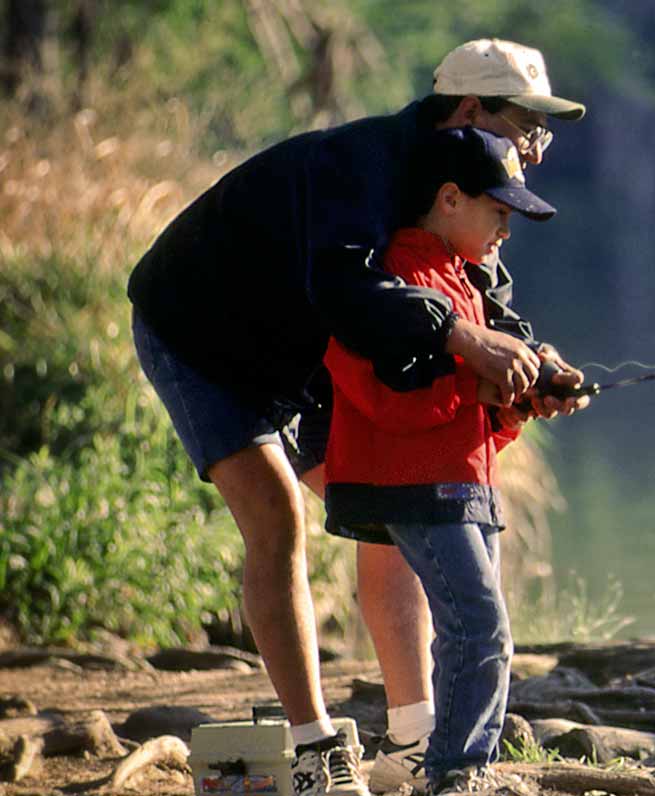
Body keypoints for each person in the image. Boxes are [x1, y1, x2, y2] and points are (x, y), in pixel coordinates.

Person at [128, 39, 589, 796]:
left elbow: (485, 299)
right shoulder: (361, 165)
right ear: (469, 111)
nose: (533, 151)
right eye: (525, 127)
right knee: (275, 517)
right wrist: (463, 339)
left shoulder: (469, 180)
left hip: (310, 348)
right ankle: (314, 750)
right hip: (202, 330)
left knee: (387, 506)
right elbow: (345, 286)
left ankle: (412, 740)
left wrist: (533, 364)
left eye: (543, 133)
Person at [323, 127, 552, 796]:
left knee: (486, 632)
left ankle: (463, 767)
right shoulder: (393, 276)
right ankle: (453, 774)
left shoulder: (465, 284)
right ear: (449, 198)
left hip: (464, 485)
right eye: (498, 212)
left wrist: (519, 402)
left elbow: (471, 418)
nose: (505, 230)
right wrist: (474, 386)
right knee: (477, 629)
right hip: (417, 487)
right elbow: (387, 398)